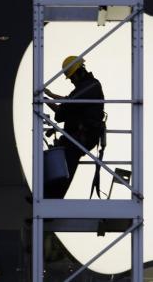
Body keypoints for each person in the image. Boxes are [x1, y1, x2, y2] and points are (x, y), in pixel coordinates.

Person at [43, 56, 105, 199]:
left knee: (66, 164)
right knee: (58, 160)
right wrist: (48, 98)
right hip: (75, 136)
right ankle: (46, 196)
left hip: (83, 136)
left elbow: (65, 108)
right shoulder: (82, 89)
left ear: (79, 73)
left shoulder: (91, 86)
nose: (71, 81)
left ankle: (51, 201)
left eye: (72, 78)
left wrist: (48, 98)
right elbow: (63, 110)